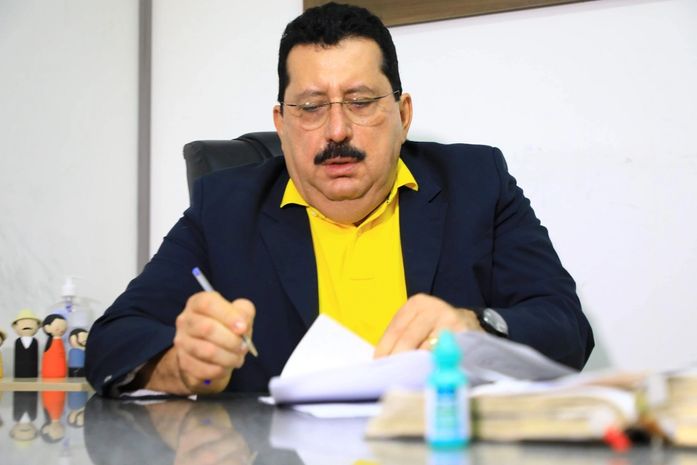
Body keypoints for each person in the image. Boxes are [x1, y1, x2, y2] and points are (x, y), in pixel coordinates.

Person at [85, 2, 593, 397]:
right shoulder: (224, 207)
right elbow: (112, 340)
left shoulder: (476, 183)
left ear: (403, 114)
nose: (336, 131)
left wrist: (475, 328)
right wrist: (179, 366)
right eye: (310, 107)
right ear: (281, 124)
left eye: (361, 101)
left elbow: (568, 329)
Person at [11, 309, 42, 378]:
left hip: (33, 373)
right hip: (18, 374)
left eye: (31, 322)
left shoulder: (35, 341)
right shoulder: (17, 342)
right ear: (15, 326)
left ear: (37, 326)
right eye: (23, 322)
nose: (27, 325)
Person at [41, 314, 68, 379]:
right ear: (47, 328)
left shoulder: (59, 341)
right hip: (49, 373)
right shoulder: (53, 342)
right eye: (58, 328)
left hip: (61, 373)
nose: (61, 329)